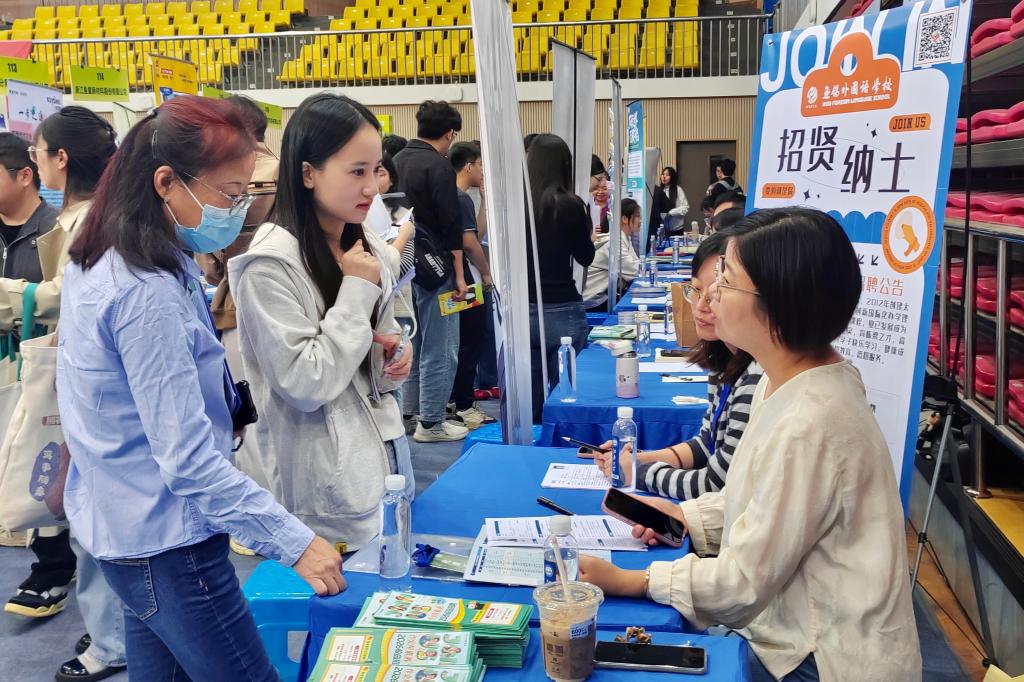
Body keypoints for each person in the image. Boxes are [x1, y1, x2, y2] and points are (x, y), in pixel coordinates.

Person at [58, 95, 346, 681]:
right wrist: (293, 541)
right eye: (229, 194)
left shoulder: (118, 255)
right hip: (169, 542)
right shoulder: (146, 292)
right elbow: (187, 464)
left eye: (246, 195)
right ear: (166, 182)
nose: (237, 211)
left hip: (126, 526)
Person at [579, 208, 921, 681]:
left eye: (726, 281)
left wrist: (636, 581)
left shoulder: (811, 420)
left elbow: (741, 583)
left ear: (778, 304)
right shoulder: (785, 380)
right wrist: (683, 516)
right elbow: (764, 500)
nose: (711, 296)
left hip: (823, 657)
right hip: (795, 628)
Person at [230, 92, 416, 549]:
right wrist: (355, 291)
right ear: (308, 173)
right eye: (356, 172)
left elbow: (380, 343)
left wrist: (393, 353)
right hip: (324, 482)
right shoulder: (268, 265)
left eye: (376, 170)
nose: (372, 188)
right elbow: (304, 383)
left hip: (387, 452)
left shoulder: (366, 246)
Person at [594, 226, 762, 499]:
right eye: (696, 290)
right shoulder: (723, 358)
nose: (703, 305)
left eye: (718, 291)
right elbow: (708, 444)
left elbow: (717, 484)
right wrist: (640, 458)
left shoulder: (757, 375)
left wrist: (636, 471)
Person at [394, 100, 468, 442]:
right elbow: (451, 226)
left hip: (403, 263)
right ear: (450, 133)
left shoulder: (396, 160)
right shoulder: (439, 166)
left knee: (414, 342)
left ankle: (408, 415)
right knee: (441, 346)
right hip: (437, 269)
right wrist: (460, 275)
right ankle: (432, 422)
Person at [526, 134, 595, 421]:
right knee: (564, 396)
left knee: (529, 401)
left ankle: (530, 444)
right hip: (563, 309)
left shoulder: (517, 206)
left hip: (524, 311)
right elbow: (586, 257)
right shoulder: (571, 205)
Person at [447, 141, 495, 430]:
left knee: (462, 343)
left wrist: (485, 202)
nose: (482, 171)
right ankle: (464, 404)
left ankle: (457, 401)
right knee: (470, 343)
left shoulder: (451, 196)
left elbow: (474, 234)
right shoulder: (460, 198)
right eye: (479, 165)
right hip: (467, 281)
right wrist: (486, 273)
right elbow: (470, 244)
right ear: (468, 166)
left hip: (456, 281)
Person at [582, 197, 642, 311]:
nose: (640, 221)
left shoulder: (623, 238)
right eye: (638, 216)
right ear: (624, 219)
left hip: (605, 295)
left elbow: (635, 265)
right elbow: (634, 271)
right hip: (594, 300)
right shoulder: (613, 243)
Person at [650, 166, 689, 235]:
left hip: (677, 229)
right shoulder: (659, 191)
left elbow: (685, 208)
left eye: (667, 175)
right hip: (663, 230)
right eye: (663, 174)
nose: (664, 176)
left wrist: (671, 212)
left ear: (672, 177)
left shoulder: (678, 189)